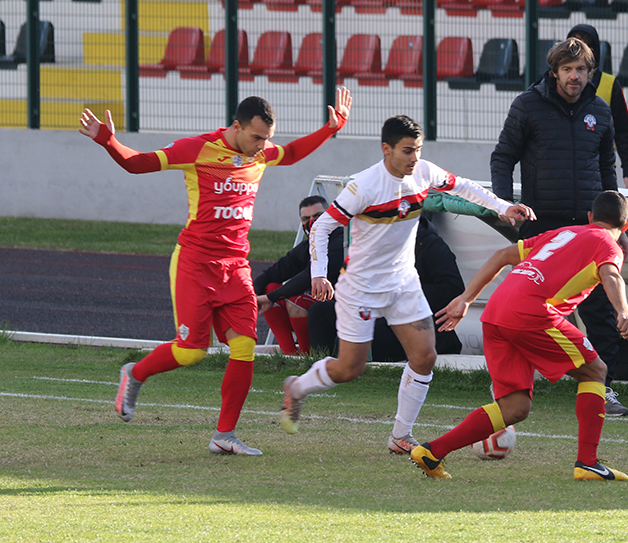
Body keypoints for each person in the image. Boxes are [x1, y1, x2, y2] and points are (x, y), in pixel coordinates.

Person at [79, 88, 352, 455]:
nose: (261, 147)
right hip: (195, 262)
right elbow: (138, 162)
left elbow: (291, 153)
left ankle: (224, 435)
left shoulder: (261, 154)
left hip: (235, 267)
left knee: (244, 348)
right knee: (192, 352)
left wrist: (329, 128)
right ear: (236, 126)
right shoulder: (197, 149)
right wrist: (108, 141)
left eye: (266, 139)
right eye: (256, 137)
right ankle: (135, 373)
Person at [280, 115, 536, 455]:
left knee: (425, 356)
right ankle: (296, 388)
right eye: (406, 151)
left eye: (417, 149)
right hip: (362, 287)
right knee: (349, 368)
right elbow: (323, 227)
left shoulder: (424, 171)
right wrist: (318, 273)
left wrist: (503, 207)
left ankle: (401, 434)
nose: (414, 158)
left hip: (403, 282)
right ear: (386, 150)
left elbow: (462, 186)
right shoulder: (363, 186)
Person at [409, 191, 628, 480]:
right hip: (532, 313)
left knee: (515, 407)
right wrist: (623, 311)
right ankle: (588, 463)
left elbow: (503, 255)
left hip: (496, 312)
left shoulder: (562, 233)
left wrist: (466, 299)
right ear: (625, 226)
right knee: (595, 371)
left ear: (590, 217)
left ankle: (431, 452)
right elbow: (611, 275)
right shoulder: (608, 243)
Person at [490, 38, 628, 417]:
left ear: (590, 73)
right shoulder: (527, 106)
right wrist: (505, 205)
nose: (574, 76)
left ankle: (604, 388)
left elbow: (607, 172)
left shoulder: (600, 111)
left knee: (601, 311)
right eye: (567, 70)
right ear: (554, 73)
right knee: (535, 311)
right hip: (544, 224)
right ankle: (509, 386)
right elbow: (503, 157)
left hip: (592, 227)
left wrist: (619, 231)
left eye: (581, 70)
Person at [307, 215, 465, 361]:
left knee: (351, 339)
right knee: (320, 312)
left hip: (416, 324)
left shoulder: (428, 244)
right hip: (379, 314)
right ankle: (321, 371)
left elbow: (452, 288)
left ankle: (349, 375)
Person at [253, 195, 344, 355]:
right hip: (320, 303)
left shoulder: (341, 241)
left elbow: (307, 277)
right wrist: (248, 298)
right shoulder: (306, 246)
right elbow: (275, 271)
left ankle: (307, 354)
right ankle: (289, 353)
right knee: (270, 287)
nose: (312, 222)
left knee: (296, 300)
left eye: (318, 216)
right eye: (306, 218)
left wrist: (271, 297)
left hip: (341, 306)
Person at [566, 24, 628, 190]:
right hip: (565, 167)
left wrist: (627, 170)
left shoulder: (610, 84)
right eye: (574, 43)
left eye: (584, 43)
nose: (579, 49)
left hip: (601, 168)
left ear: (594, 50)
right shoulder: (557, 84)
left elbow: (623, 130)